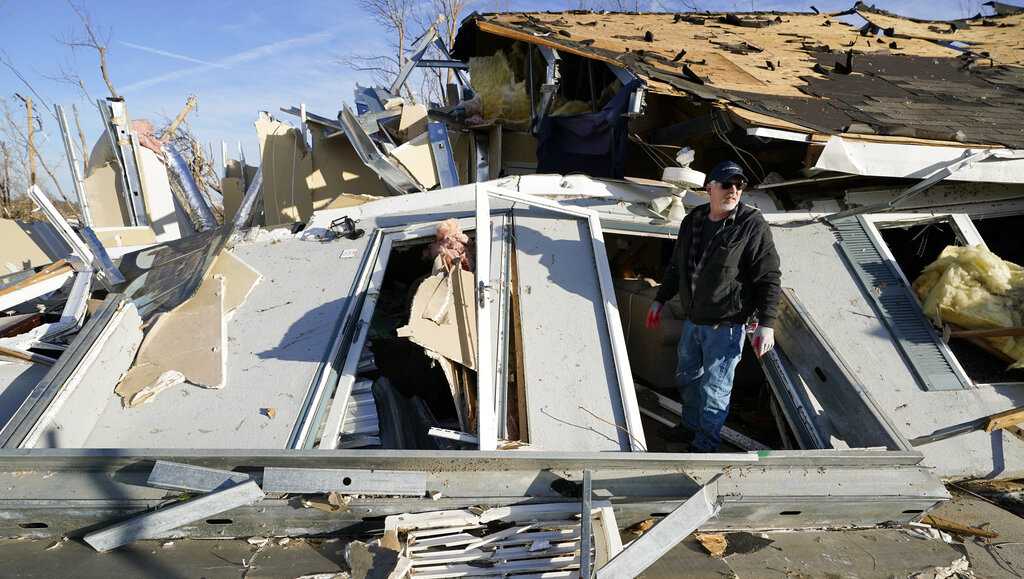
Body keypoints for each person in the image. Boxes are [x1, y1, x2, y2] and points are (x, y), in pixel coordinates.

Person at [645, 160, 781, 452]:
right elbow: (677, 267)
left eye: (739, 185)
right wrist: (660, 299)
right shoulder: (693, 220)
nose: (733, 190)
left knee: (715, 390)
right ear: (710, 188)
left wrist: (767, 325)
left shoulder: (751, 224)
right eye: (726, 184)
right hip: (693, 321)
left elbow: (769, 277)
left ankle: (706, 444)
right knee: (687, 378)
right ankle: (690, 427)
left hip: (727, 325)